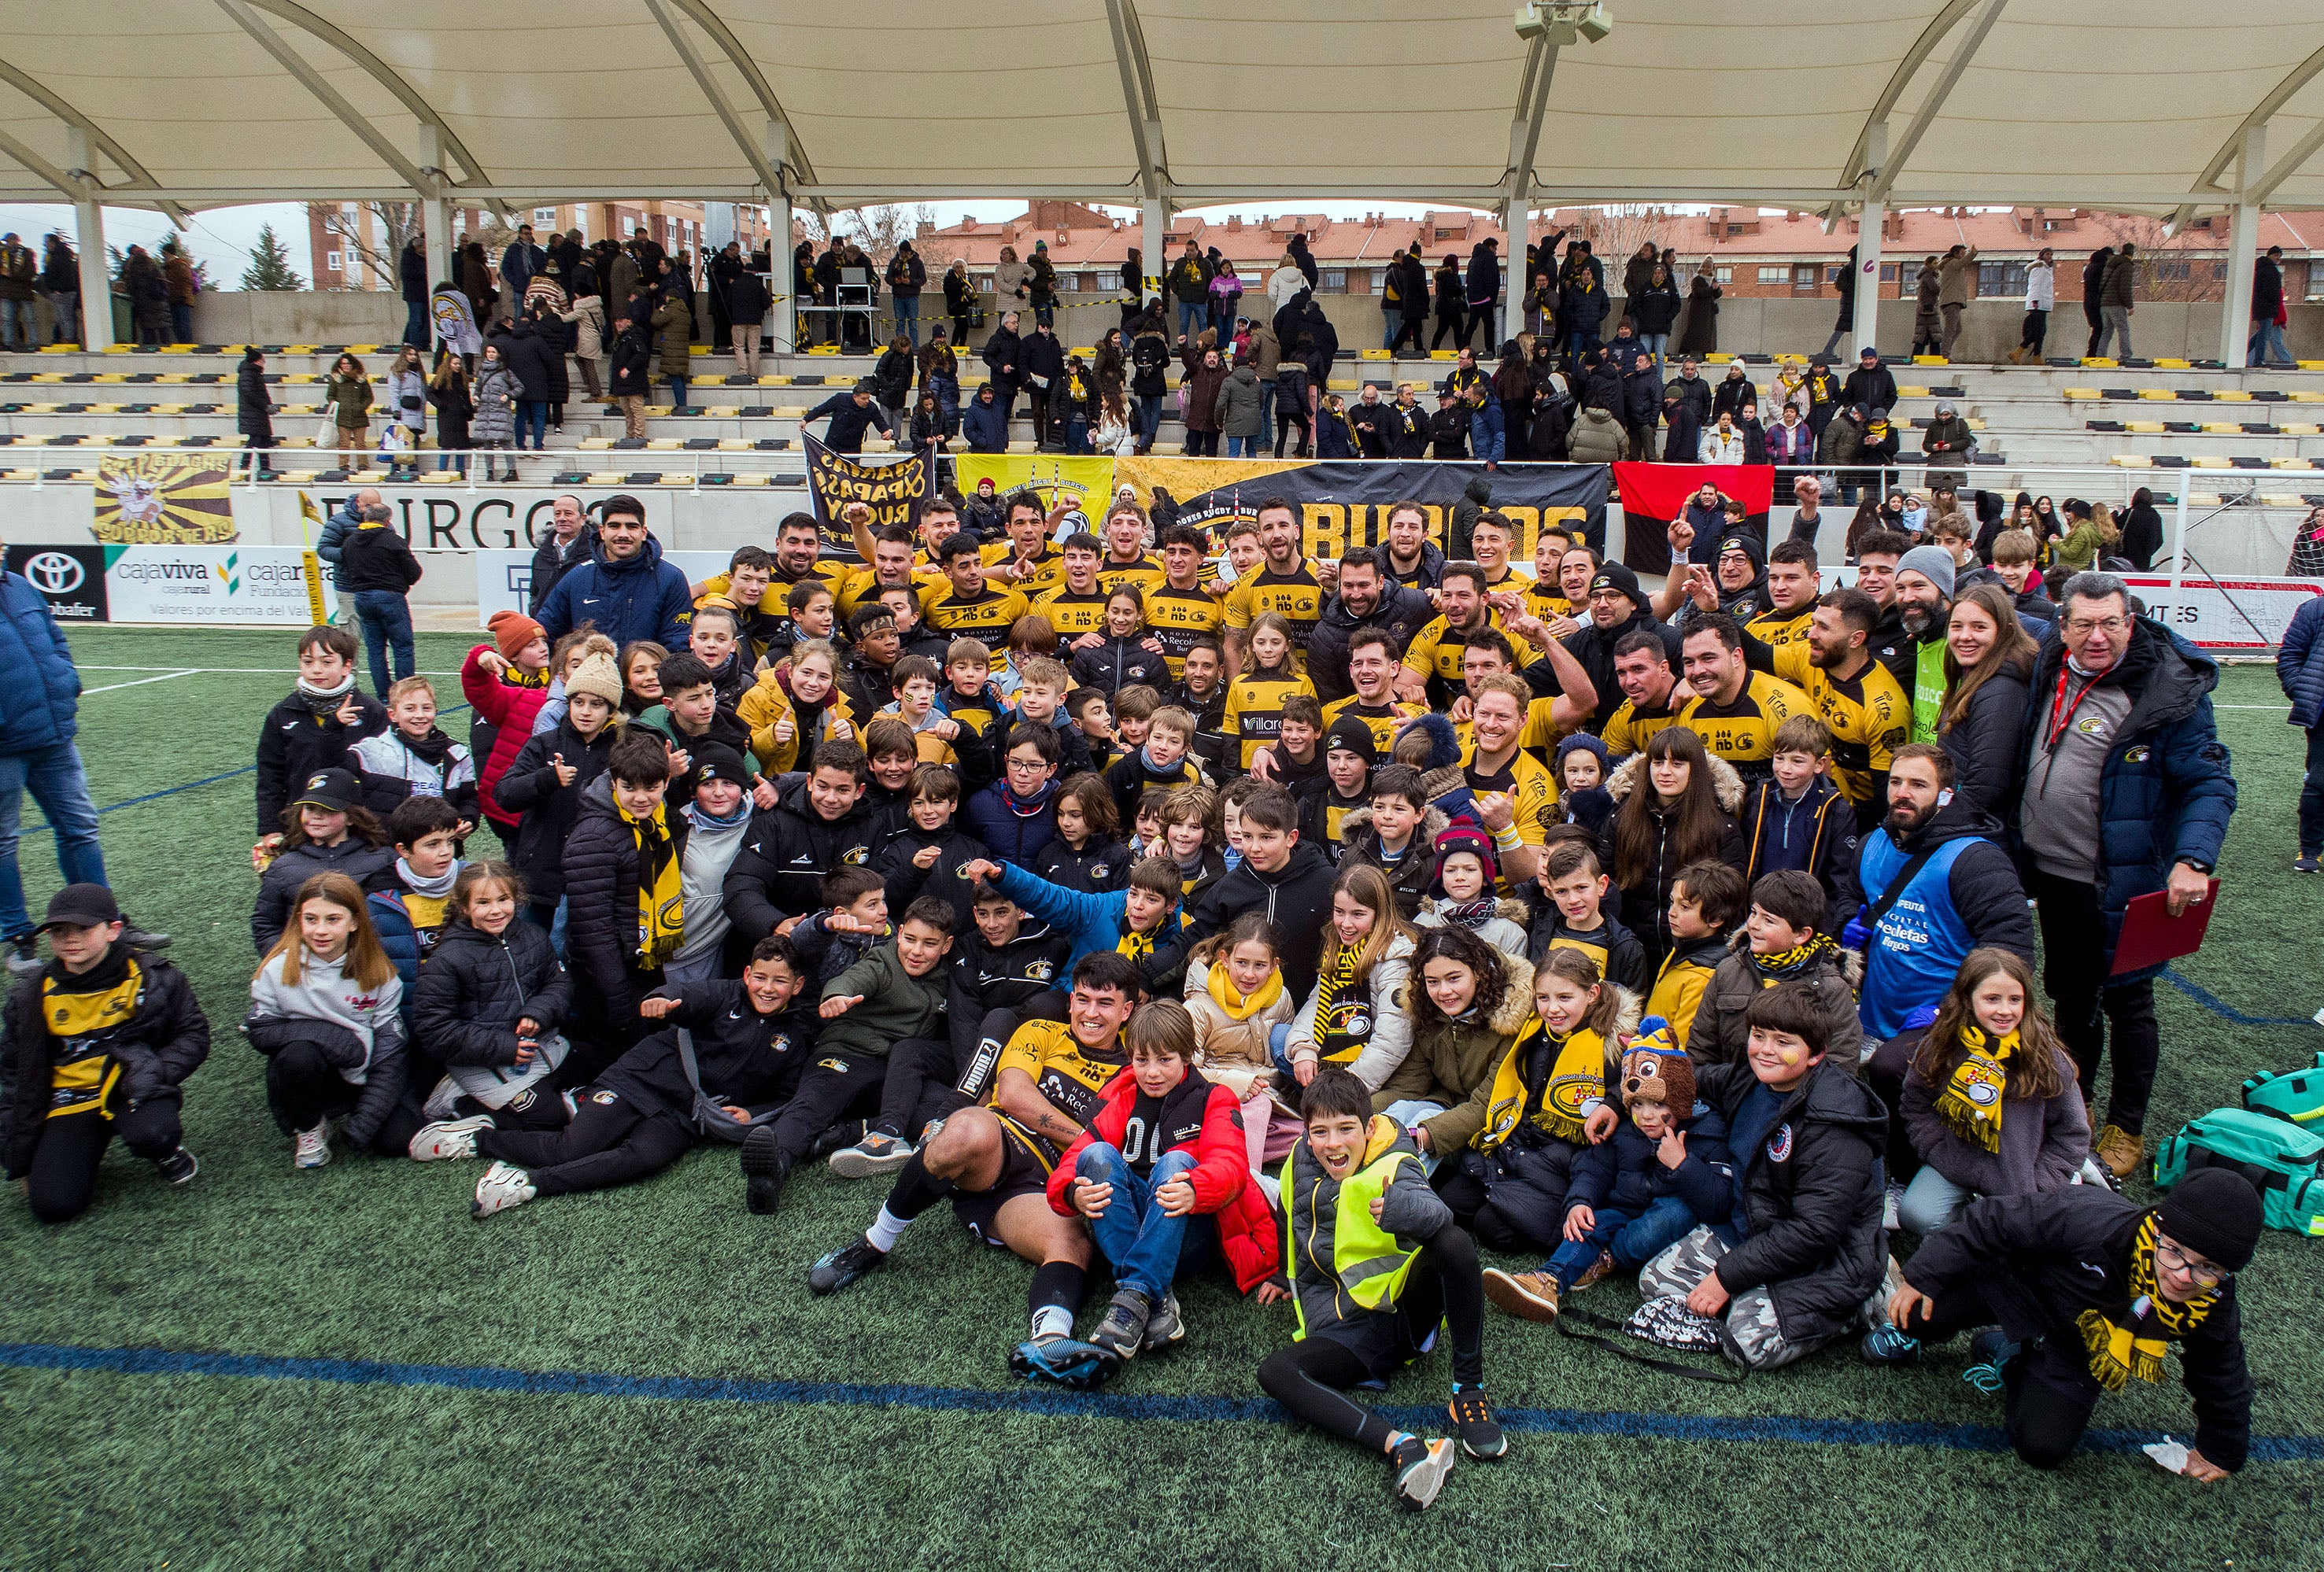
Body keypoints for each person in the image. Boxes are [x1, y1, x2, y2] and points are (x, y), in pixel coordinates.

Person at [2015, 572, 2235, 1179]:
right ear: (2062, 627)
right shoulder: (2050, 665)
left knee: (2129, 1004)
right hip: (2054, 875)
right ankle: (2075, 1108)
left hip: (2123, 881)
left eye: (2110, 622)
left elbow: (2210, 781)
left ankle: (2125, 1126)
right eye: (2083, 623)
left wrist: (2193, 859)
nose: (2096, 637)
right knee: (2069, 997)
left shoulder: (2164, 691)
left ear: (2129, 622)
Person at [1877, 1168, 2263, 1479]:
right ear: (2158, 1229)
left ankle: (2011, 1353)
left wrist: (2220, 1448)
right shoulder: (2091, 1220)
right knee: (1912, 1316)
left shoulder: (2212, 1300)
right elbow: (1990, 1220)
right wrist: (1925, 1275)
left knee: (2042, 1448)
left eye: (2208, 1267)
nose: (2183, 1275)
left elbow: (2220, 1367)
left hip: (2074, 1344)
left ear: (2228, 1272)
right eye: (2175, 1252)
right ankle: (1974, 1334)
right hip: (2011, 1283)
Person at [1255, 1065, 1507, 1508]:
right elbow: (1285, 1212)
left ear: (1369, 1127)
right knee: (1274, 1372)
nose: (1334, 1143)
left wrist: (1398, 1210)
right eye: (1321, 1132)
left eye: (1346, 1129)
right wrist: (1280, 1273)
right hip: (1344, 1330)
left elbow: (1435, 1214)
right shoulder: (1301, 1157)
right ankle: (1404, 1447)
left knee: (1455, 1242)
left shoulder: (1394, 1154)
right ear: (1308, 1133)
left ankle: (1467, 1390)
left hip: (1402, 1311)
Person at [449, 935, 818, 1216]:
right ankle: (480, 1139)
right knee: (572, 1148)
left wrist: (753, 1113)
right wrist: (664, 999)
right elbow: (685, 996)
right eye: (760, 978)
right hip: (640, 1080)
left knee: (644, 1159)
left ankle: (528, 1184)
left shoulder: (794, 1039)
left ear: (797, 986)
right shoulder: (723, 995)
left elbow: (787, 1096)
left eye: (780, 982)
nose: (767, 989)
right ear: (746, 974)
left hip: (685, 1113)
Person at [1633, 982, 1886, 1371]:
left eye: (1783, 1041)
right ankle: (1754, 1291)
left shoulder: (1835, 1120)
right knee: (1656, 1282)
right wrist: (1620, 1104)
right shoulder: (1753, 1076)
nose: (1765, 1049)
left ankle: (1863, 1300)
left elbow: (1814, 1232)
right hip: (1751, 1229)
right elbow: (1683, 1078)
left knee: (1747, 1343)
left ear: (1816, 1054)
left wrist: (1726, 1278)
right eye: (1758, 1035)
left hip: (1823, 1258)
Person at [1051, 999, 1277, 1367]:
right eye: (1142, 1060)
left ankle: (1132, 1292)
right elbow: (1074, 1157)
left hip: (1187, 1232)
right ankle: (1152, 1298)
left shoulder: (1213, 1097)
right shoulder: (1121, 1095)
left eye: (1165, 1059)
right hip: (1130, 1223)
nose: (1152, 1072)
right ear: (1130, 1058)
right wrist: (1071, 1192)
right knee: (1095, 1158)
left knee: (1176, 1162)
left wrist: (1196, 1188)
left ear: (1187, 1057)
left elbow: (1233, 1168)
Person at [1863, 947, 2089, 1256]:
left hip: (2019, 1174)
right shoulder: (1941, 1045)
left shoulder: (2046, 1059)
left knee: (2014, 1246)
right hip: (1959, 1161)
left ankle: (2065, 1185)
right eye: (1992, 999)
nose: (2005, 1010)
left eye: (2015, 999)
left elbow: (2074, 1133)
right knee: (1916, 1214)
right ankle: (1956, 1242)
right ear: (1967, 999)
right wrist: (1937, 1150)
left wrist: (2041, 1183)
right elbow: (1915, 1104)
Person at [2, 884, 206, 1223]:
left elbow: (194, 1035)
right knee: (54, 1207)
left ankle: (165, 1151)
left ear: (114, 930)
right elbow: (13, 1073)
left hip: (131, 1087)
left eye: (83, 929)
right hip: (68, 1101)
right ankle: (84, 1149)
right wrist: (21, 1155)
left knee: (153, 1132)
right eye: (58, 931)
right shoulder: (30, 996)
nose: (70, 939)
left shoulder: (152, 976)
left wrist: (152, 1072)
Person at [1852, 744, 2033, 1042]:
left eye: (1918, 784)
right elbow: (1851, 899)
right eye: (1896, 782)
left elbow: (2012, 950)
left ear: (1946, 795)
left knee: (1889, 1071)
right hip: (1872, 1018)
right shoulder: (1870, 844)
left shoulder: (1976, 860)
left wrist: (1949, 1011)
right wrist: (1849, 926)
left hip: (1947, 1021)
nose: (1902, 793)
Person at [0, 539, 116, 976]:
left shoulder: (20, 586)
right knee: (3, 841)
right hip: (4, 746)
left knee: (80, 827)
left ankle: (102, 919)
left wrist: (68, 680)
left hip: (53, 736)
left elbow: (54, 638)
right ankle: (17, 935)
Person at [246, 872, 408, 1170]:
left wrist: (365, 1120)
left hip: (362, 1074)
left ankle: (355, 1116)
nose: (320, 930)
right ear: (298, 920)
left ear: (354, 922)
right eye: (311, 919)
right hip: (307, 1071)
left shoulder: (379, 973)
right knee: (298, 1056)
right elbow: (260, 1031)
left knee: (394, 1141)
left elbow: (389, 1051)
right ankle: (310, 1126)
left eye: (333, 919)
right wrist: (340, 1041)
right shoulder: (276, 968)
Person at [1689, 869, 1864, 1068]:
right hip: (1727, 1092)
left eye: (1768, 920)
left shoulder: (1830, 988)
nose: (1753, 925)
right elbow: (1701, 1048)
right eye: (1754, 913)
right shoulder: (1729, 970)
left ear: (1801, 935)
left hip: (1797, 1097)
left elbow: (1840, 1062)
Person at [1605, 727, 1746, 969]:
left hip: (1698, 958)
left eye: (1677, 763)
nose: (1665, 772)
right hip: (1631, 952)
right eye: (1658, 762)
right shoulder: (1622, 816)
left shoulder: (1723, 826)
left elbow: (1731, 901)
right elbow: (1605, 882)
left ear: (1696, 770)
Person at [1936, 583, 2039, 821]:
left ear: (2005, 632)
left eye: (1979, 627)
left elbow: (1987, 786)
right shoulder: (1976, 676)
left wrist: (1939, 823)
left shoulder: (2002, 691)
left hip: (1977, 829)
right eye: (1956, 627)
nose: (1964, 636)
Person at [534, 496, 691, 652]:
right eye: (614, 526)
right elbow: (545, 631)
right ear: (602, 531)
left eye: (631, 527)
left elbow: (677, 643)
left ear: (643, 532)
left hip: (646, 677)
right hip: (590, 677)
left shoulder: (671, 579)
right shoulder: (577, 577)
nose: (623, 534)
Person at [336, 504, 423, 701]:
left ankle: (384, 695)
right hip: (390, 597)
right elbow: (414, 572)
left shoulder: (350, 542)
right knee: (402, 647)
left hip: (362, 597)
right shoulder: (393, 541)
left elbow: (346, 567)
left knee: (375, 648)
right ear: (387, 520)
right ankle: (405, 694)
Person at [2249, 245, 2293, 368]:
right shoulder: (2270, 270)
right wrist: (2275, 302)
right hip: (2268, 308)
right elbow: (2272, 291)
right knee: (2264, 336)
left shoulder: (2260, 269)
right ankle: (2259, 360)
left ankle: (2247, 354)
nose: (2277, 259)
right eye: (2276, 256)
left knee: (2261, 334)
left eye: (2279, 256)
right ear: (2270, 255)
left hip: (2261, 307)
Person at [2012, 246, 2055, 364]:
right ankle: (2020, 352)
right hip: (2038, 303)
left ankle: (2034, 355)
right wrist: (2035, 301)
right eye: (2047, 254)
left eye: (2051, 254)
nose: (2049, 256)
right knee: (2037, 332)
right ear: (2042, 255)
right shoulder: (2039, 266)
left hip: (2044, 303)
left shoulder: (2048, 268)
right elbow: (2035, 284)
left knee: (2041, 331)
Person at [2093, 242, 2136, 360]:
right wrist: (2130, 306)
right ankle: (2126, 356)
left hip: (2104, 303)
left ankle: (2100, 355)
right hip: (2115, 304)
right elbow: (2124, 287)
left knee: (2107, 331)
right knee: (2123, 329)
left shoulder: (2110, 264)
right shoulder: (2126, 266)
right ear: (2132, 253)